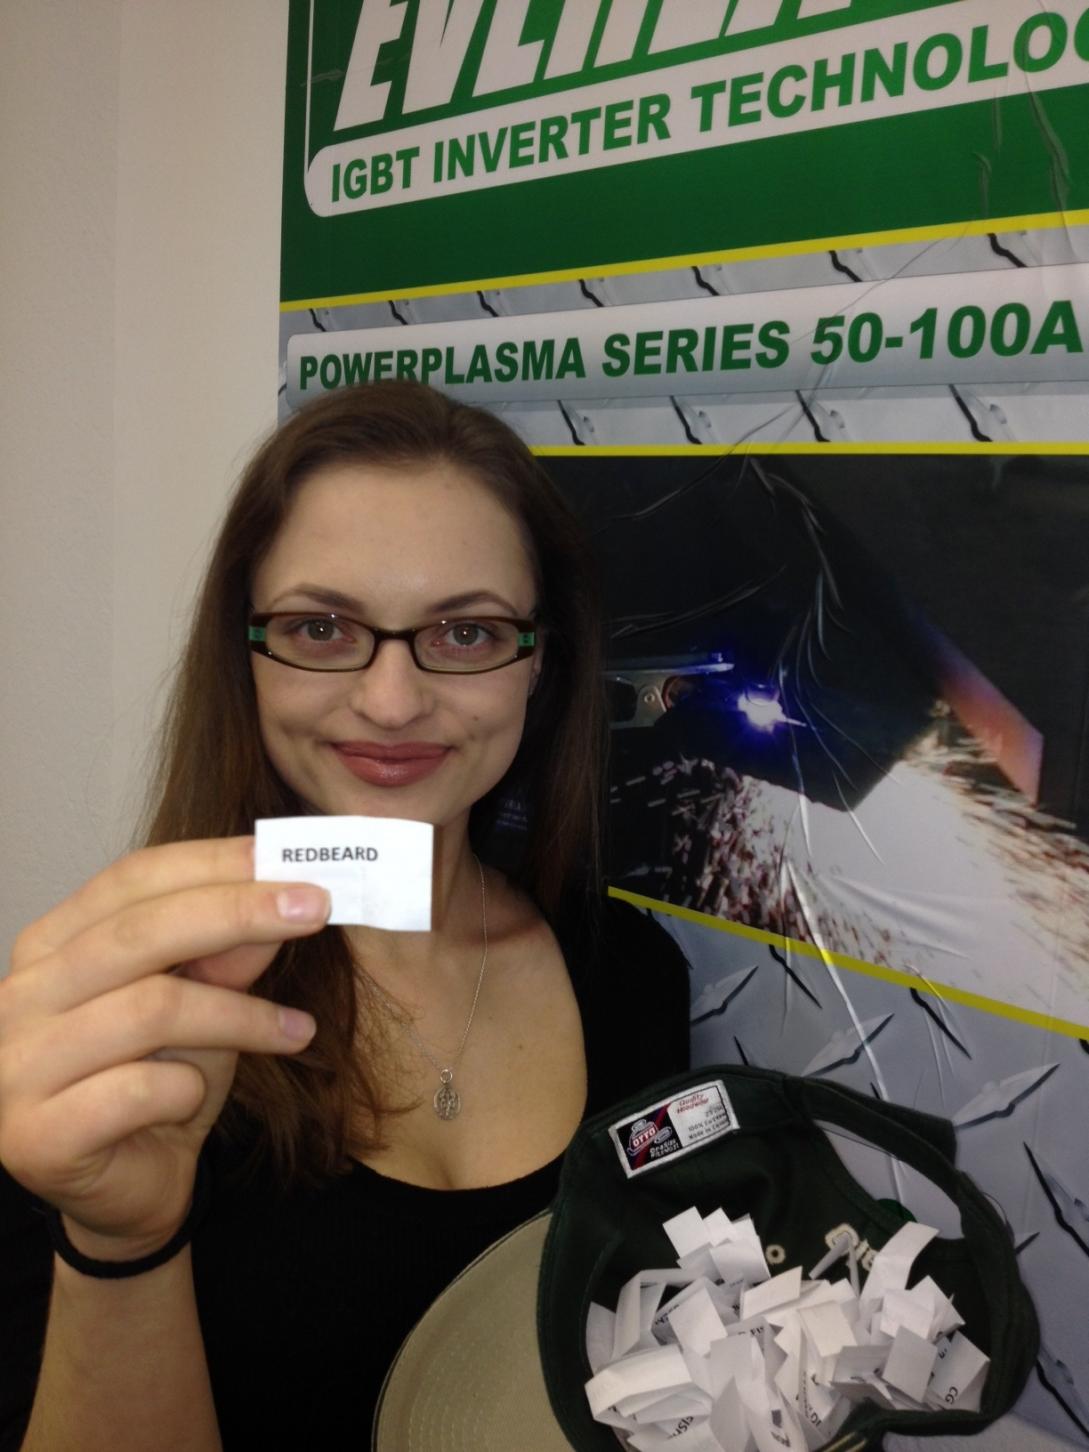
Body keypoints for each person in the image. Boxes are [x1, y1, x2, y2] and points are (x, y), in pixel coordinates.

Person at [0, 382, 690, 1450]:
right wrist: (120, 1241)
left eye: (465, 630)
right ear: (245, 652)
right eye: (321, 627)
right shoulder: (127, 1029)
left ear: (538, 661)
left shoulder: (631, 970)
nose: (390, 701)